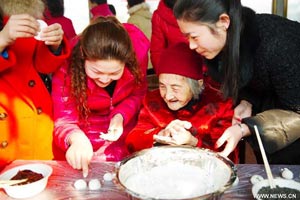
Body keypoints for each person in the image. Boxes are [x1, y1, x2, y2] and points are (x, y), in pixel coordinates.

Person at [174, 0, 300, 164]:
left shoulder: (278, 45)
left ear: (223, 22)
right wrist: (247, 102)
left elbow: (296, 111)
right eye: (187, 37)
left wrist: (246, 128)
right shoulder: (225, 45)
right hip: (276, 116)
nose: (191, 45)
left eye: (195, 36)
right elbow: (254, 80)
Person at [52, 16, 149, 177]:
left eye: (114, 73)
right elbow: (64, 119)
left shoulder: (137, 56)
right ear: (83, 55)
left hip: (127, 133)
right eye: (96, 72)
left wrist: (120, 116)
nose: (104, 79)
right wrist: (76, 138)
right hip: (87, 137)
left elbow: (138, 93)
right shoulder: (67, 68)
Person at [125, 42, 239, 163]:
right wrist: (159, 134)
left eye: (175, 88)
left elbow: (227, 157)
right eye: (162, 86)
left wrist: (194, 142)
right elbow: (132, 142)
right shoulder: (152, 100)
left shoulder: (220, 105)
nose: (168, 96)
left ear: (198, 84)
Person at [0, 0, 70, 171]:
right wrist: (2, 39)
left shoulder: (31, 7)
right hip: (7, 123)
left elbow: (41, 66)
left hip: (37, 118)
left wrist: (54, 45)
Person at [150, 0, 186, 72]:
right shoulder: (159, 16)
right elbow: (157, 53)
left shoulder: (200, 7)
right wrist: (165, 78)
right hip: (178, 73)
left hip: (207, 71)